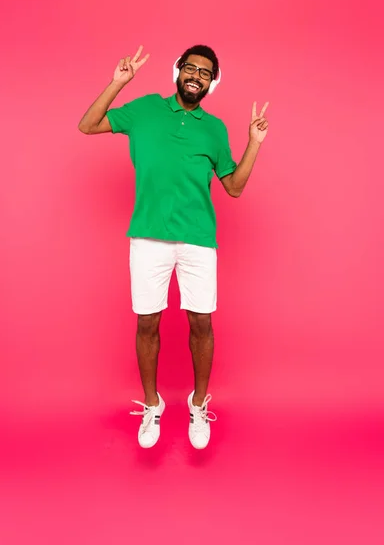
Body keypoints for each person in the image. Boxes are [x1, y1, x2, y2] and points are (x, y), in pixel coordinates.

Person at [78, 44, 269, 449]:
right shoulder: (145, 109)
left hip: (199, 240)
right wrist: (117, 83)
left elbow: (233, 188)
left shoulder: (214, 129)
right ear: (177, 71)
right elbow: (88, 125)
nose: (196, 75)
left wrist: (254, 142)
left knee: (202, 324)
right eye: (191, 68)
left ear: (211, 83)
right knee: (147, 322)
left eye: (205, 72)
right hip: (148, 236)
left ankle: (199, 404)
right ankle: (153, 404)